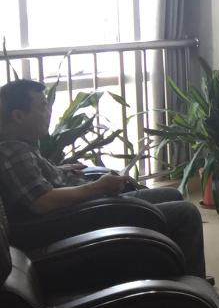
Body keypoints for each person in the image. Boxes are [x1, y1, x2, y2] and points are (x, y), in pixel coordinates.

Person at [0, 78, 207, 277]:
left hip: (86, 206)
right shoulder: (13, 152)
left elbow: (35, 181)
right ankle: (192, 287)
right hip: (82, 216)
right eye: (43, 107)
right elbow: (42, 202)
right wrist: (98, 187)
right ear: (18, 116)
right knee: (186, 213)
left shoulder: (21, 146)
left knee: (171, 194)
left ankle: (173, 271)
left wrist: (61, 170)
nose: (49, 112)